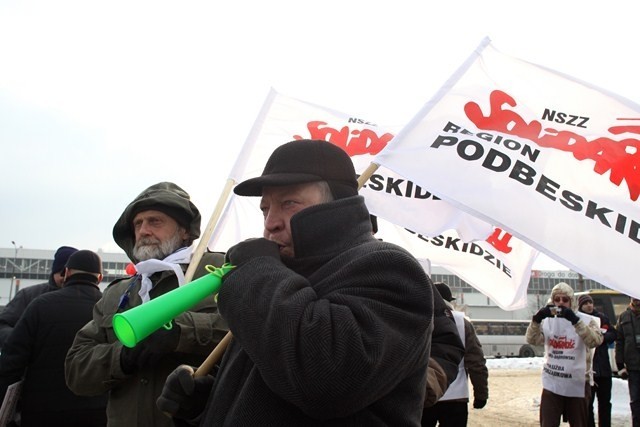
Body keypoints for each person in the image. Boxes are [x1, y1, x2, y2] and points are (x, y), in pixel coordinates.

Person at [157, 139, 435, 425]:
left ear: (337, 205)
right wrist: (207, 405)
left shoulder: (388, 268)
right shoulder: (281, 277)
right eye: (265, 209)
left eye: (289, 203)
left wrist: (256, 272)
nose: (270, 222)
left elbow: (327, 379)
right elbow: (272, 389)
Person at [64, 182, 227, 426]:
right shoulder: (118, 292)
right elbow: (76, 368)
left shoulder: (218, 272)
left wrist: (182, 332)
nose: (143, 230)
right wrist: (123, 357)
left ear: (184, 231)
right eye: (138, 224)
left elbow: (250, 332)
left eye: (155, 221)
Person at [0, 249, 108, 427]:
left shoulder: (40, 305)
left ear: (66, 273)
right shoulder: (110, 309)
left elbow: (11, 363)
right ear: (100, 278)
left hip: (41, 410)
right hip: (97, 411)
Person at [526, 282, 603, 427]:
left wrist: (575, 321)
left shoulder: (586, 320)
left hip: (577, 383)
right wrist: (536, 321)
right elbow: (532, 339)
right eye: (557, 299)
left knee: (579, 423)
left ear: (572, 301)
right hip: (553, 382)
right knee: (548, 423)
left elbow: (595, 341)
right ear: (552, 300)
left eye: (565, 300)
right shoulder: (548, 322)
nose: (561, 303)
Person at [422, 281, 488, 427]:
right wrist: (481, 393)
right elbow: (476, 362)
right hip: (455, 397)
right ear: (449, 300)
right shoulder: (462, 323)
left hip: (425, 393)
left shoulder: (420, 318)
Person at [0, 245, 78, 349]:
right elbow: (3, 326)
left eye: (70, 275)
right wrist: (22, 340)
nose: (65, 279)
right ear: (54, 271)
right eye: (62, 273)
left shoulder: (85, 300)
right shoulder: (28, 295)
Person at [578, 293, 617, 427]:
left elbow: (613, 334)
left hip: (604, 369)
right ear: (580, 306)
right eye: (585, 303)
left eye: (590, 303)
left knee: (605, 402)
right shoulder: (579, 320)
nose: (589, 305)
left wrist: (601, 338)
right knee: (588, 403)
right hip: (588, 370)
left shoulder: (602, 318)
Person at [615, 296, 640, 427]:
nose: (638, 301)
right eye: (635, 298)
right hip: (633, 366)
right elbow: (619, 342)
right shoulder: (624, 317)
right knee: (635, 401)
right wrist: (620, 365)